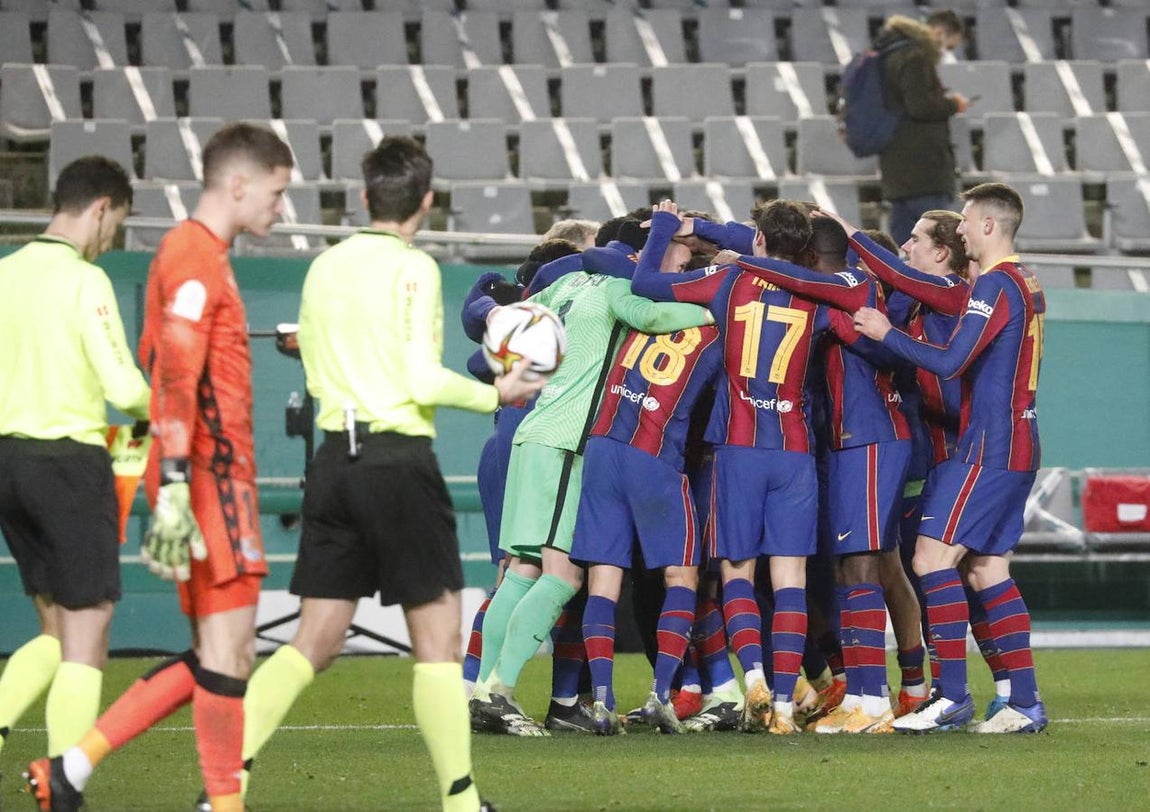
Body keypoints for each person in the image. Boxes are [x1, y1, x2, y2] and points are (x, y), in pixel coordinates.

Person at [236, 136, 543, 811]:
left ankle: (225, 785)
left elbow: (316, 359)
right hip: (397, 463)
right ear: (427, 202)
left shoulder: (323, 267)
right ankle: (460, 802)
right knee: (436, 641)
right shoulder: (414, 269)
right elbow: (419, 379)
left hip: (334, 464)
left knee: (312, 641)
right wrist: (499, 390)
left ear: (363, 195)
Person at [27, 123, 294, 812]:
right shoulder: (193, 255)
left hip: (205, 474)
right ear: (239, 184)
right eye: (276, 192)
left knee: (219, 651)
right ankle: (220, 802)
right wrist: (174, 485)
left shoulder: (200, 253)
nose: (281, 206)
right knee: (228, 654)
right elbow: (175, 374)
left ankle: (70, 771)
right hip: (207, 478)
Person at [468, 213, 714, 737]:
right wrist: (718, 309)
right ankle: (498, 690)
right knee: (564, 577)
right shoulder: (617, 286)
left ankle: (481, 691)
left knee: (522, 571)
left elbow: (491, 346)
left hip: (531, 433)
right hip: (566, 441)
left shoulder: (563, 286)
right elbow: (649, 316)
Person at [633, 199, 871, 735]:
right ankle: (785, 709)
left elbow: (645, 284)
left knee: (736, 574)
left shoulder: (729, 282)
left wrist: (668, 226)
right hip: (794, 452)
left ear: (759, 239)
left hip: (738, 450)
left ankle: (756, 679)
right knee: (790, 581)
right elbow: (860, 294)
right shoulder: (817, 294)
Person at [853, 182, 1048, 734]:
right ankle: (1022, 701)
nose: (960, 229)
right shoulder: (1027, 280)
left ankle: (951, 695)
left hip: (989, 446)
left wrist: (886, 332)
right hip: (1016, 441)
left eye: (965, 220)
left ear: (988, 224)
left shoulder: (995, 283)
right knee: (986, 569)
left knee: (929, 560)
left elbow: (949, 362)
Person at [0, 157, 147, 765]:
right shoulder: (86, 281)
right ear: (101, 209)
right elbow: (124, 389)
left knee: (56, 629)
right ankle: (61, 782)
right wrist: (164, 402)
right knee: (87, 633)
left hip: (8, 464)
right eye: (116, 226)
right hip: (68, 463)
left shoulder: (4, 273)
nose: (111, 241)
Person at [874, 14, 968, 247]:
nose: (945, 52)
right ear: (940, 33)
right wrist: (953, 104)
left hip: (896, 170)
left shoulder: (888, 55)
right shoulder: (915, 58)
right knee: (937, 246)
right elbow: (920, 106)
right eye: (948, 46)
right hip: (924, 169)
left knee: (905, 248)